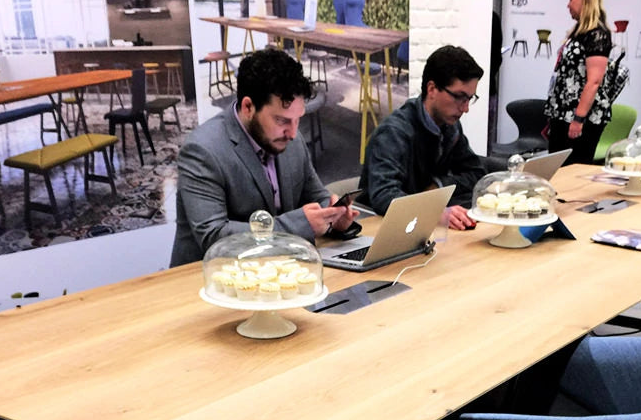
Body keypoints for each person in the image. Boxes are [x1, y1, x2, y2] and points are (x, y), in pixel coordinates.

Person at [170, 47, 355, 266]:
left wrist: (333, 216)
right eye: (282, 120)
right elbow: (214, 236)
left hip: (274, 272)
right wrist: (299, 226)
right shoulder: (202, 150)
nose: (294, 133)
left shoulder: (290, 139)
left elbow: (315, 194)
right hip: (207, 279)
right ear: (248, 107)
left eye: (298, 119)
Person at [359, 45, 486, 231]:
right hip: (381, 232)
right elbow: (384, 195)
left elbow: (476, 174)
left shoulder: (449, 127)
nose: (465, 108)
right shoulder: (393, 132)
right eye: (459, 97)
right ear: (432, 89)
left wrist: (437, 186)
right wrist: (434, 211)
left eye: (469, 98)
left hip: (423, 231)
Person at [544, 0, 613, 165]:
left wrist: (578, 119)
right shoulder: (578, 32)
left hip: (580, 118)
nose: (568, 5)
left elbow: (594, 81)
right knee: (557, 167)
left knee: (573, 168)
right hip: (562, 113)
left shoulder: (597, 34)